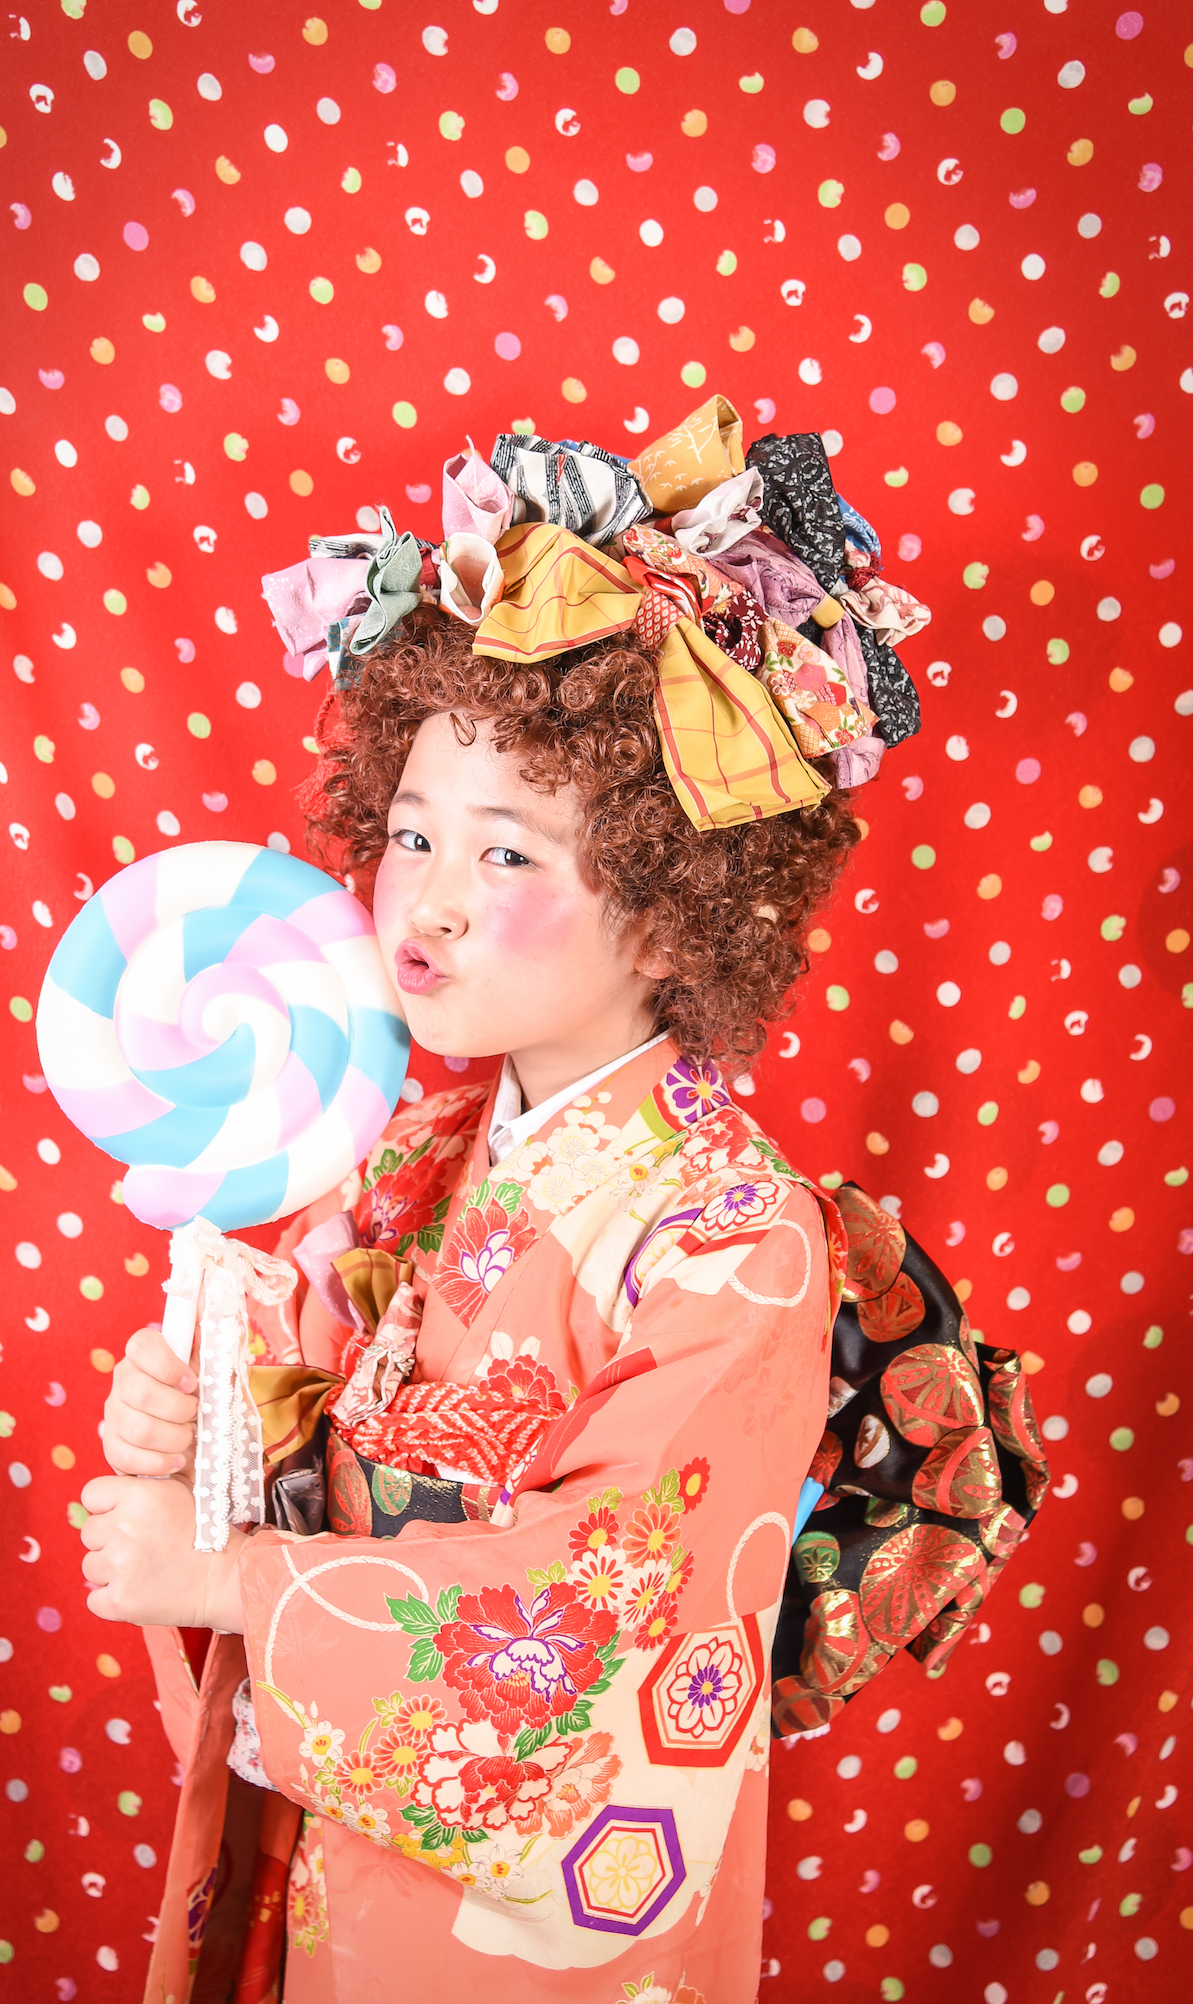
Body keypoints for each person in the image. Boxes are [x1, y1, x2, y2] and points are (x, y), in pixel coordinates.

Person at [76, 409, 1044, 2004]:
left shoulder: (735, 1244)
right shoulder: (420, 1148)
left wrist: (230, 1583)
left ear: (674, 908)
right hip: (349, 1832)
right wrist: (200, 1428)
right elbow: (301, 1409)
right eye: (409, 833)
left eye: (507, 853)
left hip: (549, 1921)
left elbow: (605, 1624)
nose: (428, 897)